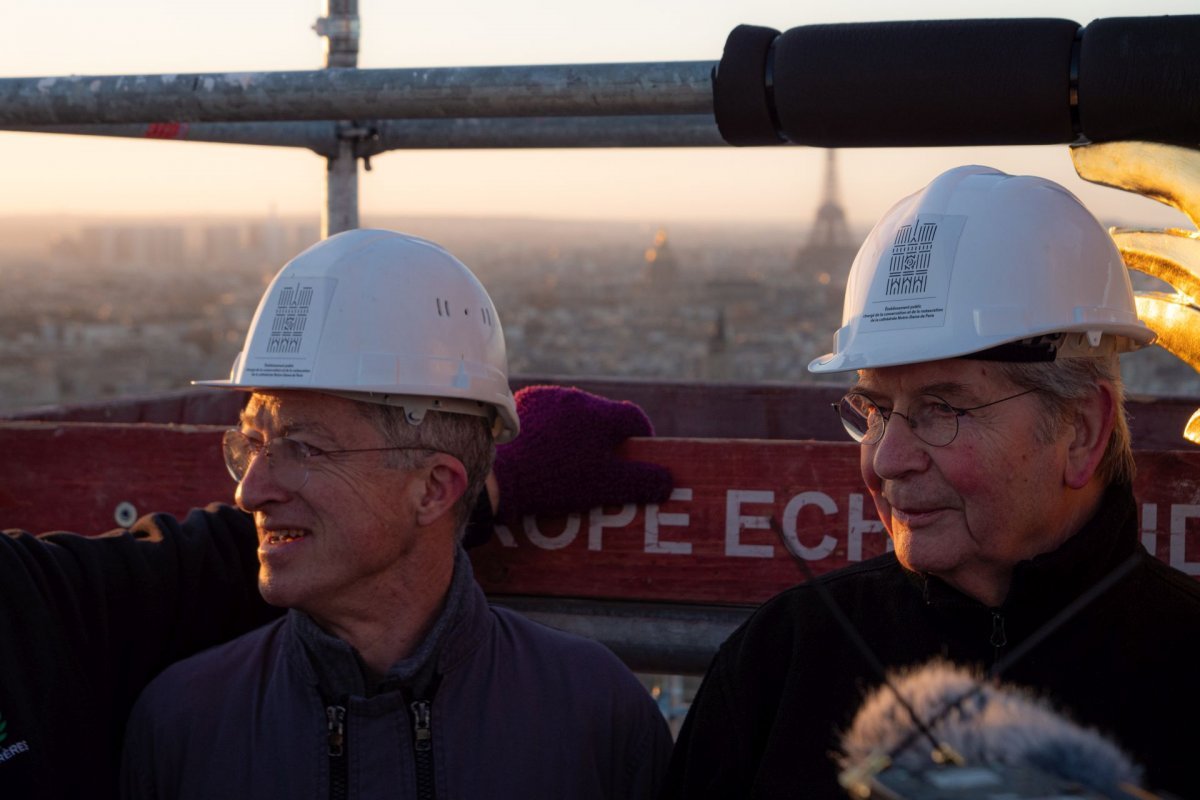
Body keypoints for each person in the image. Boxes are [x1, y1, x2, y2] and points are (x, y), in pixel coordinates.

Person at [0, 233, 672, 800]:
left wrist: (477, 484)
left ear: (437, 487)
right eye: (252, 445)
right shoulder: (180, 725)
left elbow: (175, 574)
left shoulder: (596, 718)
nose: (249, 489)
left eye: (305, 448)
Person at [662, 165, 1200, 798]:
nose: (887, 460)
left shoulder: (792, 665)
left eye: (942, 409)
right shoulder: (776, 660)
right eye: (875, 411)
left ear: (1080, 430)